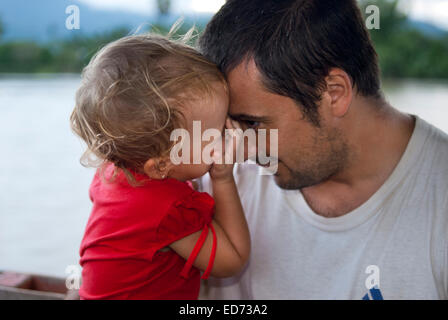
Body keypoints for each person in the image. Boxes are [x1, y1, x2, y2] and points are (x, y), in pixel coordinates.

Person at [197, 0, 448, 299]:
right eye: (226, 125)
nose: (240, 150)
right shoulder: (204, 176)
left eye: (251, 123)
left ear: (334, 93)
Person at [70, 34, 250, 299]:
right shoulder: (165, 207)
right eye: (214, 132)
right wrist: (223, 178)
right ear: (162, 164)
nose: (227, 134)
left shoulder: (112, 172)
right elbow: (232, 258)